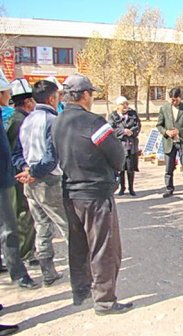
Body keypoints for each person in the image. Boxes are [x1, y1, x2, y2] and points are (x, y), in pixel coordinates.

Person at [52, 74, 132, 315]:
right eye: (92, 94)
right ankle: (105, 301)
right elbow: (118, 158)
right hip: (95, 194)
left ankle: (81, 291)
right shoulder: (93, 123)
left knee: (78, 245)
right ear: (84, 95)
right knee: (104, 248)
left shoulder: (58, 121)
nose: (92, 98)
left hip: (70, 192)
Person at [11, 80, 68, 287]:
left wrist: (26, 170)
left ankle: (48, 272)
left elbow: (16, 153)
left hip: (30, 183)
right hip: (49, 181)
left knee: (42, 227)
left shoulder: (27, 120)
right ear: (52, 98)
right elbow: (51, 157)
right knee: (68, 227)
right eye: (58, 96)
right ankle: (82, 274)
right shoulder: (53, 120)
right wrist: (33, 172)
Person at [0, 70, 38, 289]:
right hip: (10, 179)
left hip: (9, 176)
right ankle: (19, 270)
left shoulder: (9, 117)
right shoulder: (18, 121)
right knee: (11, 225)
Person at [7, 78, 37, 266]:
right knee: (24, 213)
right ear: (27, 102)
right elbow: (16, 151)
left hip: (14, 174)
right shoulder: (21, 121)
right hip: (19, 175)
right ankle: (25, 253)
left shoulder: (15, 118)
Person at [156, 87, 183, 198]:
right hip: (169, 142)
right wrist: (166, 132)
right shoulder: (164, 108)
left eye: (175, 100)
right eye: (171, 99)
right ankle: (169, 188)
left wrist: (179, 131)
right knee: (168, 168)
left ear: (180, 98)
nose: (173, 102)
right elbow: (159, 125)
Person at [108, 96, 141, 196]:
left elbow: (138, 125)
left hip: (131, 145)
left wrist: (132, 132)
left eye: (127, 104)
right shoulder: (113, 116)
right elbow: (111, 129)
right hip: (119, 145)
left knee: (130, 168)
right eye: (123, 104)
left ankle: (131, 188)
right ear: (118, 106)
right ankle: (122, 188)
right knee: (121, 168)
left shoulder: (133, 114)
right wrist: (123, 131)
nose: (126, 106)